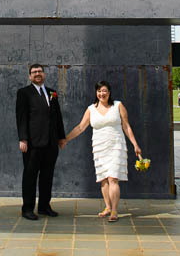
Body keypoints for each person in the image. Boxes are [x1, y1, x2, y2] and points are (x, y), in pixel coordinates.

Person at [60, 80, 141, 222]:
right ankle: (108, 207)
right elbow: (80, 127)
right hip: (99, 146)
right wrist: (66, 139)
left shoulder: (118, 105)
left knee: (113, 178)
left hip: (116, 145)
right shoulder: (91, 109)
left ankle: (114, 211)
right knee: (103, 179)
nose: (101, 93)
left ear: (109, 92)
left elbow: (126, 126)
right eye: (99, 91)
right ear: (96, 93)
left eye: (104, 91)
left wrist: (135, 144)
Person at [16, 63, 66, 220]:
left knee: (47, 176)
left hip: (51, 144)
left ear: (44, 74)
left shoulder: (52, 93)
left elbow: (57, 116)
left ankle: (44, 207)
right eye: (34, 72)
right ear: (30, 76)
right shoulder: (24, 93)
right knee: (30, 177)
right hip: (32, 144)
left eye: (40, 71)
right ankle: (27, 209)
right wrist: (23, 139)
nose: (37, 74)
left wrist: (61, 137)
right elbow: (21, 117)